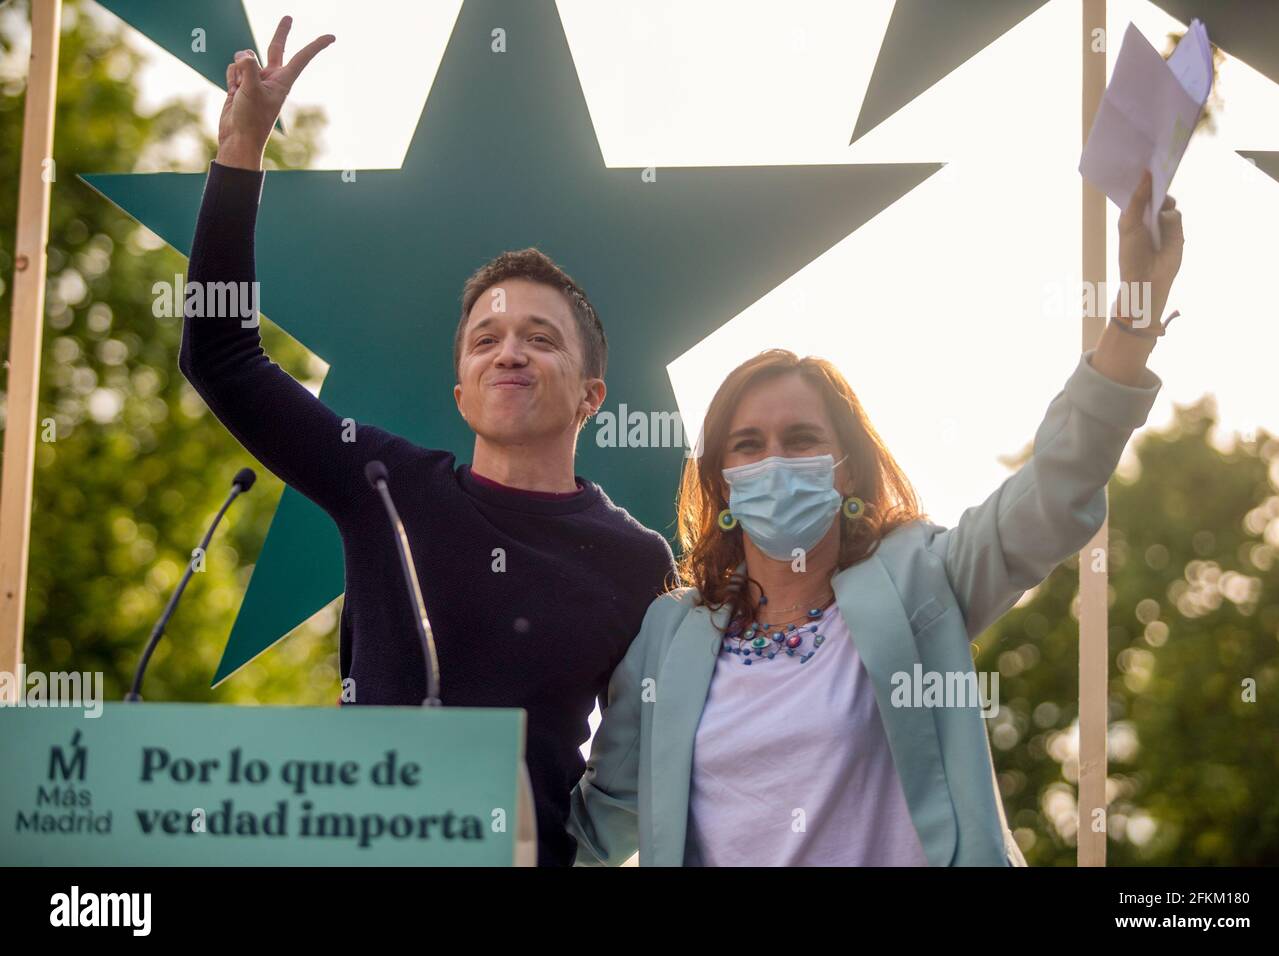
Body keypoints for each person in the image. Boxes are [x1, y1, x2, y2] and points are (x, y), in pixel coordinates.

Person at [568, 171, 1183, 866]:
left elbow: (1053, 491)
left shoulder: (922, 578)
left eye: (801, 440)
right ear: (723, 485)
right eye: (748, 445)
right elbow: (597, 828)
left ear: (849, 468)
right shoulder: (667, 635)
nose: (774, 461)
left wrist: (1132, 315)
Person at [180, 16, 675, 867]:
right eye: (485, 341)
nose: (508, 351)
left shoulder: (638, 563)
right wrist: (240, 155)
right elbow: (221, 357)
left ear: (593, 395)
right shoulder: (385, 483)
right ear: (461, 391)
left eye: (539, 338)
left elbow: (645, 769)